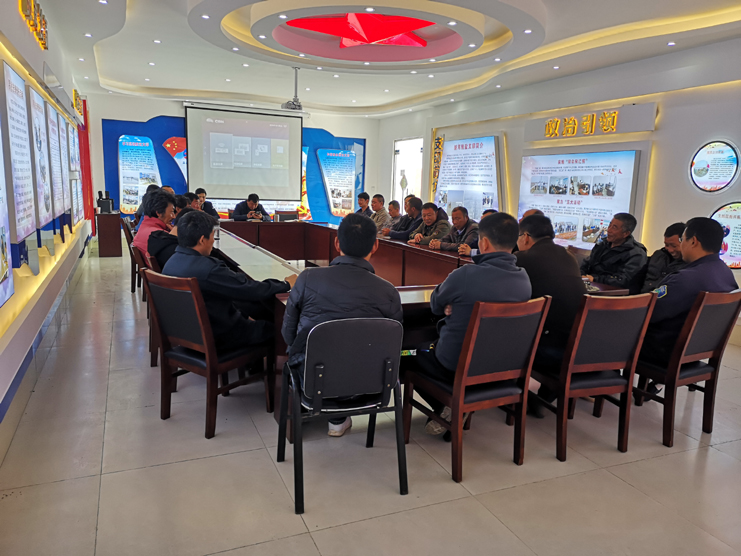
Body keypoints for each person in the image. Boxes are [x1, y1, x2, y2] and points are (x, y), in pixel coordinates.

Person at [407, 213, 532, 434]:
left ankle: (447, 407)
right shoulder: (524, 279)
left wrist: (453, 304)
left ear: (484, 243)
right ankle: (454, 407)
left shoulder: (465, 275)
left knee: (406, 353)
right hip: (503, 366)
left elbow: (436, 305)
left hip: (455, 365)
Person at [282, 213, 403, 437]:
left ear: (337, 243)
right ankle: (338, 419)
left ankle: (335, 417)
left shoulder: (307, 279)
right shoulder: (389, 292)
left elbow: (289, 336)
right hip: (371, 384)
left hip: (315, 382)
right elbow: (393, 345)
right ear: (375, 246)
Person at [163, 211, 297, 352]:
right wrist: (286, 284)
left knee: (252, 310)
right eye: (212, 236)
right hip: (218, 338)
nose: (213, 241)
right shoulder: (208, 269)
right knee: (278, 330)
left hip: (189, 335)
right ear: (202, 240)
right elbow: (249, 289)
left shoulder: (171, 262)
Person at [640, 217, 738, 374]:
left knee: (611, 333)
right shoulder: (725, 273)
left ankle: (607, 382)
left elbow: (648, 312)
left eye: (682, 239)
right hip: (697, 350)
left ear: (693, 241)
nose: (681, 244)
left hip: (664, 349)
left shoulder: (684, 279)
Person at [580, 213, 647, 288]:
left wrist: (595, 279)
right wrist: (581, 275)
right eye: (610, 225)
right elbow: (587, 263)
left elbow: (623, 280)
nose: (609, 230)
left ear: (625, 233)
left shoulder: (636, 254)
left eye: (614, 228)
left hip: (614, 292)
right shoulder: (603, 244)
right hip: (592, 286)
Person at [636, 222, 687, 293]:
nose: (670, 250)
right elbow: (638, 279)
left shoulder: (690, 264)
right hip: (643, 296)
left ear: (685, 242)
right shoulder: (658, 255)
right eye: (667, 245)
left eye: (674, 246)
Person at [132, 190, 175, 258]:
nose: (174, 216)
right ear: (159, 213)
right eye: (172, 212)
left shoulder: (144, 227)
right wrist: (174, 236)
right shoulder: (158, 235)